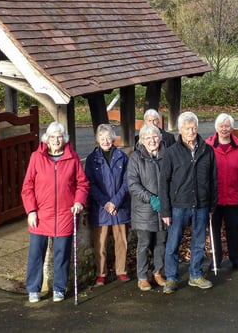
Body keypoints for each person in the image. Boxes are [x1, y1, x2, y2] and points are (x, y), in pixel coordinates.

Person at [21, 122, 89, 303]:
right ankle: (33, 289)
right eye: (53, 137)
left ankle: (59, 288)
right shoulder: (36, 157)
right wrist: (31, 210)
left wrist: (78, 201)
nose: (56, 140)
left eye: (59, 136)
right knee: (36, 253)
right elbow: (27, 187)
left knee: (62, 253)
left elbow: (82, 184)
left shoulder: (72, 158)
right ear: (47, 139)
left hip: (65, 214)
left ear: (64, 139)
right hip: (41, 215)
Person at [160, 111, 217, 294]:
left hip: (201, 204)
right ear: (180, 130)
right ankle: (171, 278)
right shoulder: (171, 152)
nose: (191, 131)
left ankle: (196, 274)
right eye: (187, 128)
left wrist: (211, 206)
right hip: (178, 205)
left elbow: (213, 179)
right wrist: (165, 211)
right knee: (173, 243)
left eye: (193, 128)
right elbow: (164, 183)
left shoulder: (207, 150)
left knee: (199, 242)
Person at [85, 123, 131, 286]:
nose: (105, 141)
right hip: (101, 208)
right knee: (100, 243)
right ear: (97, 139)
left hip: (120, 206)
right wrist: (105, 203)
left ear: (113, 138)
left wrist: (115, 202)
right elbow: (89, 183)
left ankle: (121, 271)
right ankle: (101, 273)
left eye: (108, 138)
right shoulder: (92, 159)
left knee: (121, 241)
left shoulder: (122, 157)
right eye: (102, 138)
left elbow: (127, 182)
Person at [127, 123, 168, 291]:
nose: (152, 140)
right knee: (144, 243)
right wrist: (151, 198)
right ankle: (142, 276)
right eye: (148, 138)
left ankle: (158, 272)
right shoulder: (136, 158)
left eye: (155, 137)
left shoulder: (167, 155)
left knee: (161, 242)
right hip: (144, 210)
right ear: (142, 140)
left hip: (164, 209)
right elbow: (133, 184)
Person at [207, 113, 238, 271]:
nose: (224, 129)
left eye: (227, 126)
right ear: (216, 127)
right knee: (215, 230)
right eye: (221, 126)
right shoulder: (208, 146)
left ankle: (235, 258)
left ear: (232, 128)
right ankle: (216, 259)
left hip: (233, 196)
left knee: (234, 230)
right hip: (214, 198)